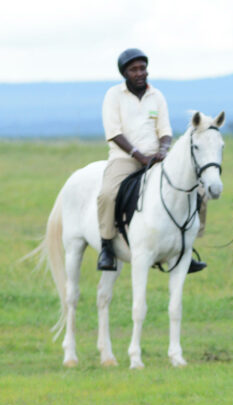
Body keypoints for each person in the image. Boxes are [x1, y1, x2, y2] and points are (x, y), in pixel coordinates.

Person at [97, 48, 206, 273]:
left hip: (156, 158)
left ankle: (187, 245)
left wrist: (164, 150)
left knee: (198, 191)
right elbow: (114, 132)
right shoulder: (113, 95)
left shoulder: (156, 95)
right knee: (107, 194)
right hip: (125, 158)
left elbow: (165, 130)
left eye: (143, 68)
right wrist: (139, 155)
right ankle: (107, 246)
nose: (140, 73)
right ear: (124, 73)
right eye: (134, 69)